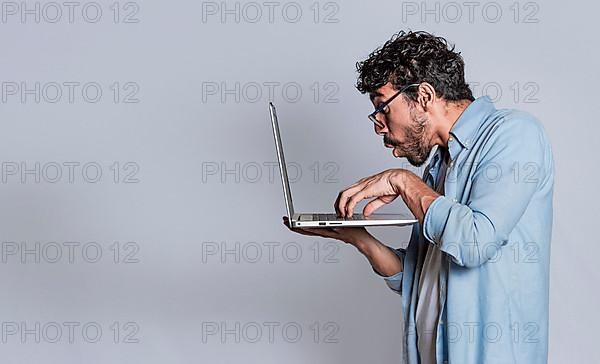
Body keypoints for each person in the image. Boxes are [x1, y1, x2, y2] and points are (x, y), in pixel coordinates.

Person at [283, 30, 554, 364]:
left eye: (382, 107)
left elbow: (472, 243)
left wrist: (401, 181)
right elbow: (425, 281)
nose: (378, 125)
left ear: (424, 96)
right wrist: (359, 239)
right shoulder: (439, 164)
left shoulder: (514, 134)